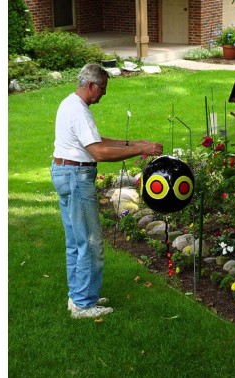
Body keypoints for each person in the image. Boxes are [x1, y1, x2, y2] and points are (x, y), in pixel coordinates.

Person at [50, 64, 163, 319]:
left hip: (64, 172)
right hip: (76, 177)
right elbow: (99, 152)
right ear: (91, 86)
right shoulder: (79, 111)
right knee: (90, 243)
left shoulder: (70, 104)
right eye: (102, 89)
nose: (104, 94)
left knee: (76, 242)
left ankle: (79, 295)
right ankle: (83, 305)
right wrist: (140, 150)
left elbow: (97, 141)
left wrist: (136, 143)